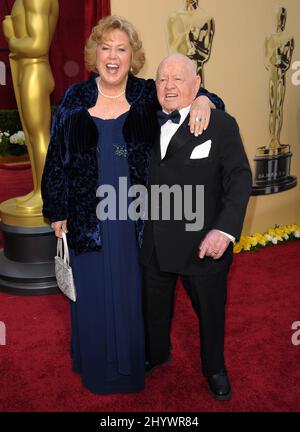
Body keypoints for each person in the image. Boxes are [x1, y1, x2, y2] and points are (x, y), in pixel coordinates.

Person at [41, 16, 225, 395]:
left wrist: (205, 98)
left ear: (132, 56)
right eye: (106, 47)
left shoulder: (145, 94)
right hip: (85, 219)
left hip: (133, 219)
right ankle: (94, 361)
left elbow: (195, 97)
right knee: (91, 293)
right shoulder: (75, 99)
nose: (113, 56)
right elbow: (56, 157)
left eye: (121, 49)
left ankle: (130, 364)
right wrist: (56, 209)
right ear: (95, 54)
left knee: (129, 296)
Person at [140, 53, 252, 401]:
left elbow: (240, 177)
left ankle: (215, 368)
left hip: (203, 243)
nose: (169, 86)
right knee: (153, 308)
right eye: (162, 79)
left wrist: (225, 230)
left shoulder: (220, 124)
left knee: (210, 313)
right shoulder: (143, 121)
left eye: (177, 78)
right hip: (155, 240)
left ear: (197, 84)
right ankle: (157, 354)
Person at [2, 0, 59, 212]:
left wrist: (11, 37)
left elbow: (38, 45)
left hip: (34, 70)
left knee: (39, 136)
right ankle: (39, 189)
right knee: (33, 136)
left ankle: (46, 193)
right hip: (29, 70)